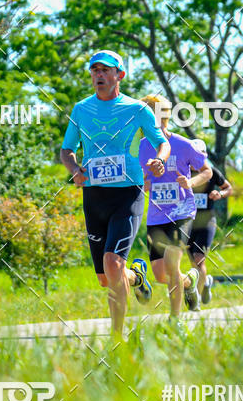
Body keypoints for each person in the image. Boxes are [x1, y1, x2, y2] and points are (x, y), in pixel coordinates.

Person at [60, 50, 170, 336]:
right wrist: (74, 168)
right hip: (94, 197)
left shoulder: (137, 109)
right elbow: (66, 149)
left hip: (127, 195)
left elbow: (162, 142)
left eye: (105, 70)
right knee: (106, 278)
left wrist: (159, 160)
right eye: (95, 70)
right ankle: (137, 277)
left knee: (112, 262)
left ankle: (116, 339)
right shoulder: (81, 109)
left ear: (119, 75)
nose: (99, 75)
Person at [138, 95, 212, 319]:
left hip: (182, 211)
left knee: (172, 264)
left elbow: (207, 171)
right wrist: (145, 184)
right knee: (161, 275)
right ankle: (190, 281)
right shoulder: (141, 148)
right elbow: (139, 179)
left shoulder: (183, 144)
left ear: (164, 117)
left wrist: (190, 182)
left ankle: (175, 319)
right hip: (156, 215)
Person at [187, 139, 233, 304]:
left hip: (207, 221)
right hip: (187, 222)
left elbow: (228, 188)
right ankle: (205, 282)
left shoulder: (212, 172)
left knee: (199, 259)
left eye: (198, 155)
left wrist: (220, 194)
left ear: (204, 156)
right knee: (194, 262)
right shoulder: (182, 172)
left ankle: (196, 299)